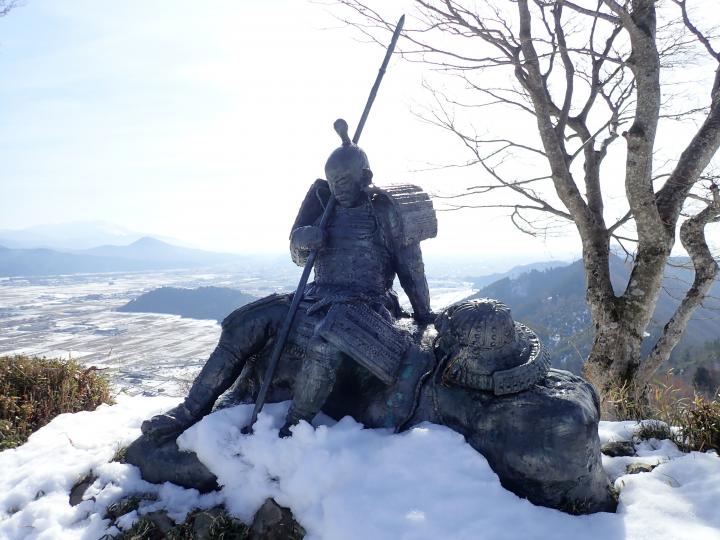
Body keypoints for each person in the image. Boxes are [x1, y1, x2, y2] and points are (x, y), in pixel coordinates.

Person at [141, 120, 436, 441]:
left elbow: (412, 269)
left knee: (326, 343)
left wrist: (424, 314)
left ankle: (293, 428)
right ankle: (189, 410)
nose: (338, 188)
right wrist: (302, 240)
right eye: (333, 181)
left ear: (365, 176)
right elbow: (298, 258)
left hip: (364, 304)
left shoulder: (386, 213)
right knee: (245, 323)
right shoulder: (323, 205)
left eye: (344, 180)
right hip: (315, 296)